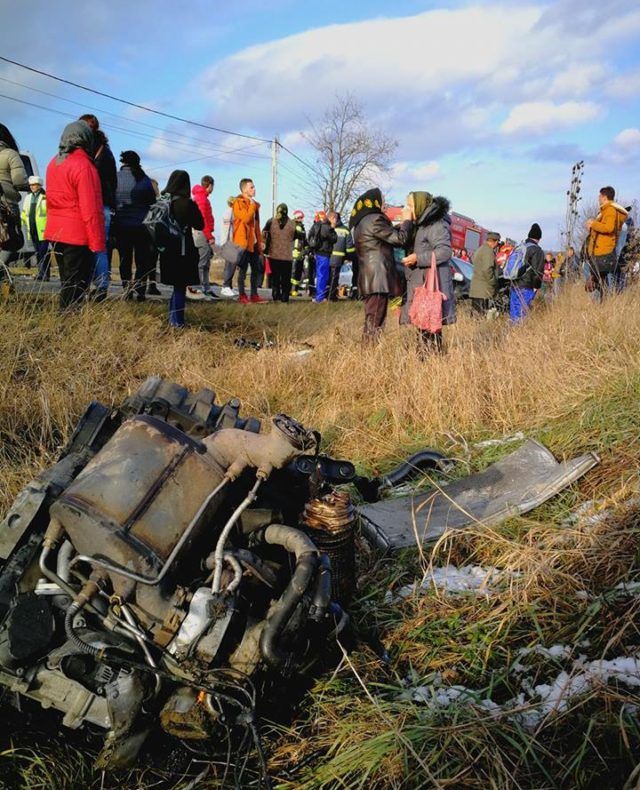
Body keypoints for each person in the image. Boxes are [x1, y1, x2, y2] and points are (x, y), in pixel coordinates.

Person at [44, 121, 105, 310]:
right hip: (77, 235)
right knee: (76, 286)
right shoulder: (84, 165)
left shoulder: (53, 163)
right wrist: (97, 244)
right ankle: (69, 325)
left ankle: (66, 323)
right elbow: (91, 209)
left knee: (66, 282)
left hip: (56, 233)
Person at [350, 188, 412, 343]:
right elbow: (400, 239)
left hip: (371, 278)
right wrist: (407, 221)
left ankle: (368, 354)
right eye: (382, 200)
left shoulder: (363, 222)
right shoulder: (376, 219)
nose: (385, 204)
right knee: (375, 321)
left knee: (373, 319)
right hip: (378, 278)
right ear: (374, 202)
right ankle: (367, 358)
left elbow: (386, 235)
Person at [401, 192, 455, 353]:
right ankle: (429, 363)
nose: (407, 209)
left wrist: (418, 258)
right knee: (425, 327)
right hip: (422, 283)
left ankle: (431, 364)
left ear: (419, 206)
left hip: (431, 285)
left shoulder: (436, 224)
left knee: (430, 327)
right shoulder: (422, 224)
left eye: (410, 205)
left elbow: (445, 251)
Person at [79, 114, 117, 301]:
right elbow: (113, 182)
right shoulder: (106, 151)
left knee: (84, 246)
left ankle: (85, 284)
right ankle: (101, 287)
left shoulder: (82, 150)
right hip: (105, 205)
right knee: (100, 246)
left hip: (90, 202)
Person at [158, 170, 203, 328]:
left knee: (176, 287)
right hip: (183, 250)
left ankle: (173, 318)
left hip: (166, 250)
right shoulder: (187, 204)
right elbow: (200, 224)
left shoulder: (163, 202)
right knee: (180, 286)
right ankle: (177, 322)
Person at [114, 150, 156, 300]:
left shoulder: (115, 178)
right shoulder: (144, 179)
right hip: (141, 225)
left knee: (124, 259)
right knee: (142, 260)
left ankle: (127, 289)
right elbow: (152, 200)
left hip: (121, 225)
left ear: (123, 162)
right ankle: (140, 290)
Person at [585, 187, 628, 300]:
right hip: (602, 250)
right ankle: (603, 304)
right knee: (601, 282)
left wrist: (593, 223)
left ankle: (604, 304)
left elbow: (609, 228)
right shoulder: (606, 210)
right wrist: (592, 228)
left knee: (602, 282)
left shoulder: (610, 210)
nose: (598, 198)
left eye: (599, 196)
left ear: (604, 197)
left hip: (604, 251)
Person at [227, 178, 265, 304]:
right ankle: (242, 295)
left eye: (254, 187)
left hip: (253, 243)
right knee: (242, 270)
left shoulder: (255, 205)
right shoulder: (238, 203)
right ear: (244, 189)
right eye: (251, 187)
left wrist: (259, 242)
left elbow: (256, 226)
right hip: (242, 242)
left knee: (256, 269)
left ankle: (254, 294)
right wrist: (252, 205)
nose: (254, 189)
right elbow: (246, 218)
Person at [0, 123, 28, 284]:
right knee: (11, 241)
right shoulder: (10, 154)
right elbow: (19, 180)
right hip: (7, 204)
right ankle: (2, 272)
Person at [262, 203, 299, 303]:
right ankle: (285, 297)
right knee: (286, 279)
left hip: (274, 255)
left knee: (275, 279)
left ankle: (276, 296)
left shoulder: (271, 221)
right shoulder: (292, 223)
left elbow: (264, 233)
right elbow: (295, 236)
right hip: (287, 256)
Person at [509, 223, 545, 322]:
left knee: (514, 312)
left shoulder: (520, 247)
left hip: (514, 283)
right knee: (522, 313)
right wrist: (536, 287)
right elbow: (538, 271)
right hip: (527, 286)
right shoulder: (537, 250)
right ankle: (519, 334)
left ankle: (512, 333)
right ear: (539, 238)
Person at [191, 174, 217, 300]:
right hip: (202, 233)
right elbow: (202, 219)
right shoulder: (201, 198)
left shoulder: (201, 197)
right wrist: (209, 235)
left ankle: (207, 288)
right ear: (210, 185)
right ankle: (200, 289)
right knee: (202, 263)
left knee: (206, 262)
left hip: (203, 233)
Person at [21, 176, 50, 281]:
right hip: (33, 230)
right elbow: (24, 213)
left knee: (43, 253)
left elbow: (49, 213)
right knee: (38, 253)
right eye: (31, 185)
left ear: (39, 185)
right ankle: (41, 273)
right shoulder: (28, 197)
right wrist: (21, 223)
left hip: (43, 230)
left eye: (34, 185)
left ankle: (45, 275)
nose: (32, 187)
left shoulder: (45, 197)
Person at [469, 231, 501, 315]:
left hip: (477, 289)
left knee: (475, 316)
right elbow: (487, 270)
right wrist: (493, 282)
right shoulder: (488, 251)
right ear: (496, 241)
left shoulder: (481, 249)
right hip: (484, 290)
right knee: (481, 316)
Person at [309, 211, 337, 303]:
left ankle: (319, 296)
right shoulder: (327, 227)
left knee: (320, 275)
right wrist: (332, 228)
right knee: (323, 276)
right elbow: (334, 238)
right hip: (324, 253)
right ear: (330, 218)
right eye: (334, 218)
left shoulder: (317, 225)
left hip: (318, 252)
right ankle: (320, 298)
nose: (335, 221)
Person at [327, 211, 355, 301]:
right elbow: (349, 247)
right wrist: (350, 257)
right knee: (334, 277)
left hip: (327, 257)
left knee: (327, 277)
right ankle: (331, 297)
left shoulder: (328, 227)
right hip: (339, 258)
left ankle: (325, 295)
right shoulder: (345, 230)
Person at [290, 210, 307, 296]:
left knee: (298, 273)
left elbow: (304, 241)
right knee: (293, 272)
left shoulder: (302, 227)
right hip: (294, 251)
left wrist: (306, 250)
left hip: (301, 252)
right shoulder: (293, 225)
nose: (302, 219)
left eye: (302, 217)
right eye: (300, 217)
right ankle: (290, 290)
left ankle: (294, 291)